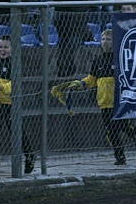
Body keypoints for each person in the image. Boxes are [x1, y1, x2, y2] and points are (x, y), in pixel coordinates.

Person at [51, 29, 131, 165]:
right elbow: (92, 79)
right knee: (111, 131)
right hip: (104, 102)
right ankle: (120, 155)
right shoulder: (98, 60)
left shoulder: (120, 58)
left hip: (118, 101)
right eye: (103, 39)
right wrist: (79, 83)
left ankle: (134, 138)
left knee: (119, 127)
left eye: (109, 39)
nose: (105, 42)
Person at [0, 35, 35, 173]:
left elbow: (16, 84)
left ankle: (29, 155)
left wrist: (3, 88)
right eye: (1, 47)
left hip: (9, 103)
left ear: (12, 49)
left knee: (15, 130)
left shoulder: (14, 63)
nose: (2, 50)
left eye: (6, 47)